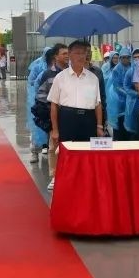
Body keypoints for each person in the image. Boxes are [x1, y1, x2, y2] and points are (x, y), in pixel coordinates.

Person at [46, 40, 103, 191]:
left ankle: (85, 183)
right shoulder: (61, 77)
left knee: (86, 153)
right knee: (67, 153)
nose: (80, 56)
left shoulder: (93, 78)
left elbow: (97, 103)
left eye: (83, 53)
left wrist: (99, 125)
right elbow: (54, 105)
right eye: (77, 52)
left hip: (88, 119)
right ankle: (66, 182)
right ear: (69, 55)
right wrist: (55, 129)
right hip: (67, 118)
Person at [34, 43, 69, 172]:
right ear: (56, 56)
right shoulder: (48, 74)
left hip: (70, 117)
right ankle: (54, 175)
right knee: (54, 146)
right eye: (64, 54)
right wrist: (53, 105)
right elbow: (40, 96)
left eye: (68, 53)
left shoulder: (72, 72)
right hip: (54, 115)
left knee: (68, 146)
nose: (67, 56)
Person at [26, 47, 52, 164]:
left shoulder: (57, 68)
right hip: (39, 101)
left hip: (52, 103)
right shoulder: (37, 66)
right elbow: (31, 82)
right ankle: (34, 152)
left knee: (50, 129)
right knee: (37, 128)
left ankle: (47, 149)